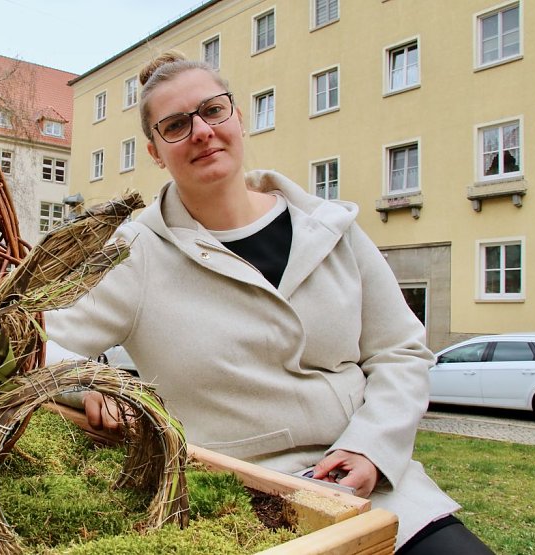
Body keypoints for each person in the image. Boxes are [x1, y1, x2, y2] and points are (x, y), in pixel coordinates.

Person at [45, 52, 493, 554]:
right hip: (234, 496)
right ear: (154, 152)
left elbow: (400, 352)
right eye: (175, 125)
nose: (201, 131)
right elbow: (39, 343)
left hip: (376, 483)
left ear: (237, 117)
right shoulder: (136, 253)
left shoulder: (330, 229)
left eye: (213, 111)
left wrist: (370, 447)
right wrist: (87, 388)